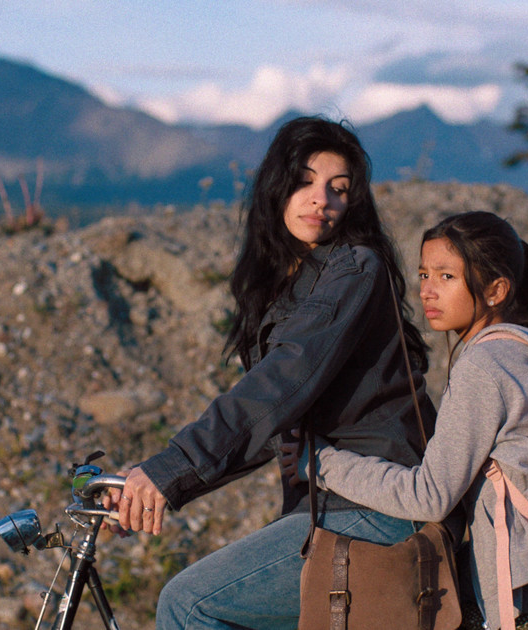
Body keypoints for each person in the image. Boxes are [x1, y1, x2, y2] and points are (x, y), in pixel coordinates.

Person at [106, 115, 437, 629]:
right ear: (277, 186)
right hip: (330, 506)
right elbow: (267, 423)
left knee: (188, 605)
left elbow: (279, 386)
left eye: (338, 189)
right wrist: (149, 480)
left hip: (378, 506)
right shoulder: (285, 283)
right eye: (305, 181)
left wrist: (170, 472)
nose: (321, 199)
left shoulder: (355, 268)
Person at [283, 210, 528, 629]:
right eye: (424, 274)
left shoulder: (485, 365)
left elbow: (429, 496)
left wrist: (321, 463)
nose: (427, 290)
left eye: (446, 276)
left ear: (496, 290)